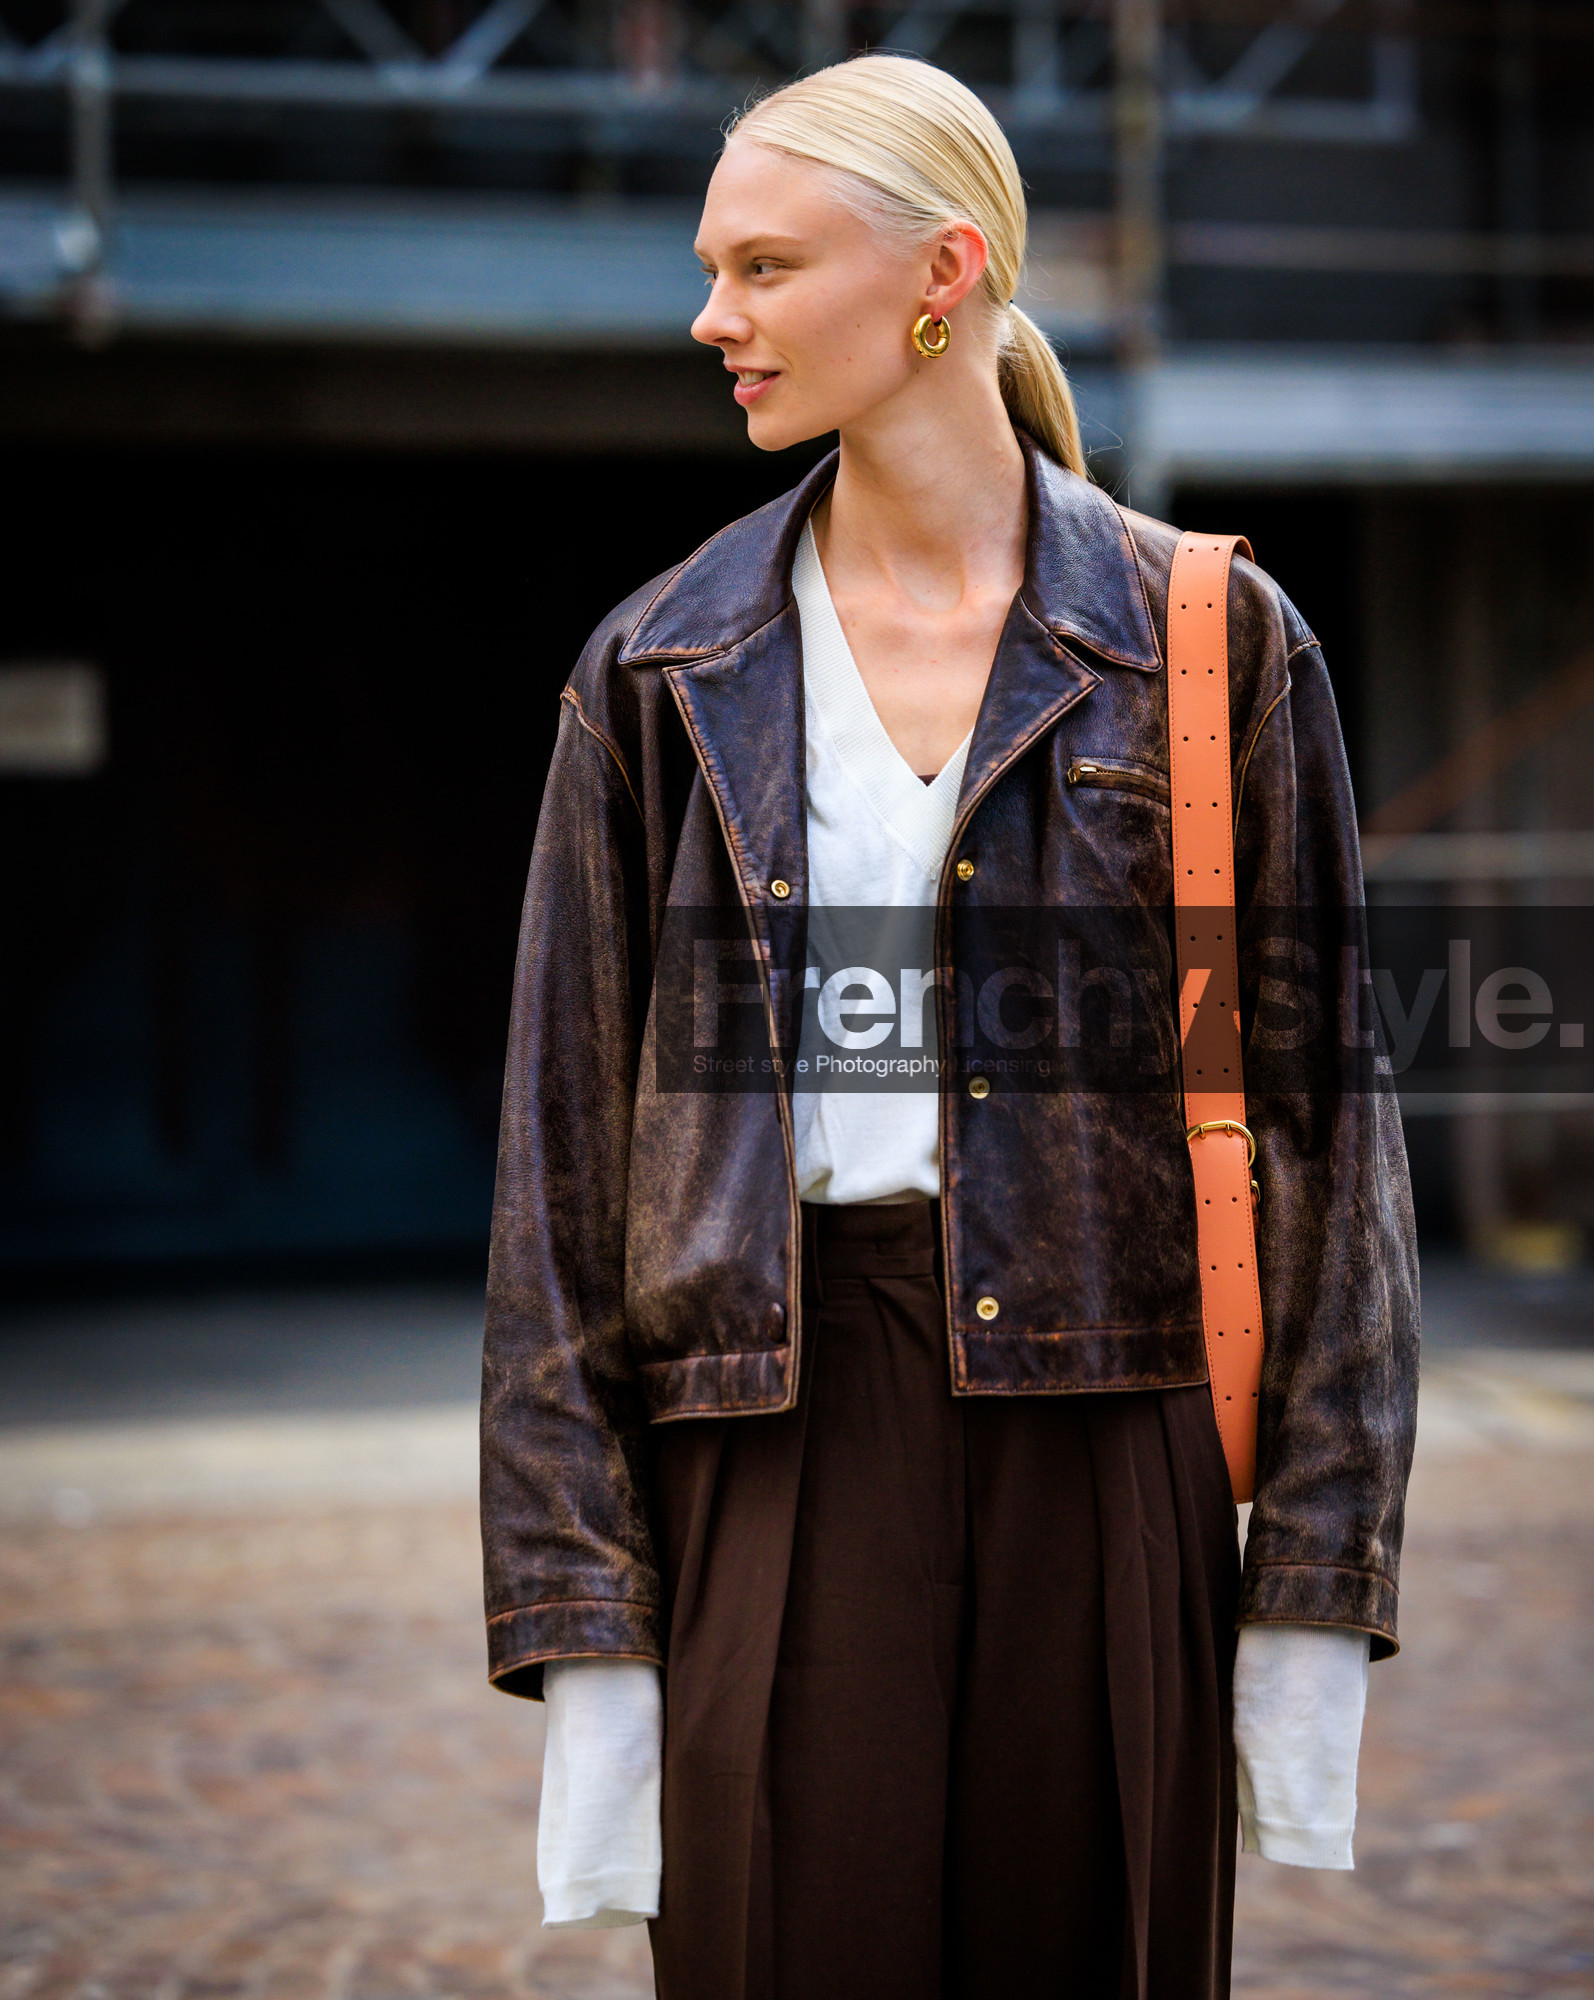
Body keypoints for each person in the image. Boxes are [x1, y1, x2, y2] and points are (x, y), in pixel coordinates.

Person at [479, 52, 1420, 2000]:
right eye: (707, 267)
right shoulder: (660, 668)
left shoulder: (1210, 646)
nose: (706, 317)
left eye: (757, 264)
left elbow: (1331, 1135)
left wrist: (1314, 1572)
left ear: (940, 275)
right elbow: (561, 1172)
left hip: (1121, 1435)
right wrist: (581, 1614)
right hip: (768, 1433)